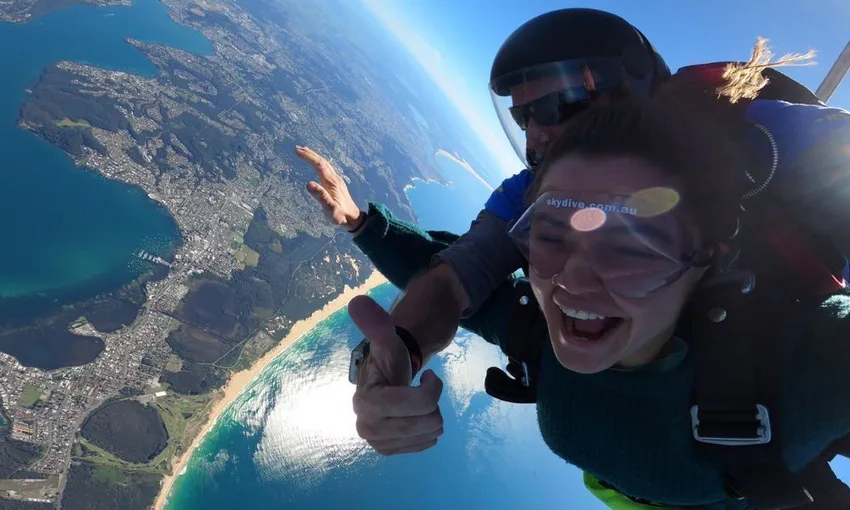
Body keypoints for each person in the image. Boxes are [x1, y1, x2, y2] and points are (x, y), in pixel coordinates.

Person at [350, 62, 850, 508]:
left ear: (708, 257)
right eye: (549, 235)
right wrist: (364, 230)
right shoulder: (539, 329)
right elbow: (451, 284)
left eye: (631, 247)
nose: (572, 279)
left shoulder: (799, 364)